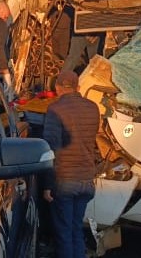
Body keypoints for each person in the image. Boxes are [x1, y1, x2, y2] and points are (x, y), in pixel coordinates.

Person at [42, 70, 100, 258]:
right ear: (78, 87)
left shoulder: (55, 110)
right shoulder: (93, 108)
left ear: (57, 88)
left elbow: (51, 150)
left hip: (65, 180)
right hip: (86, 180)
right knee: (76, 229)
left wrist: (47, 185)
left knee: (64, 233)